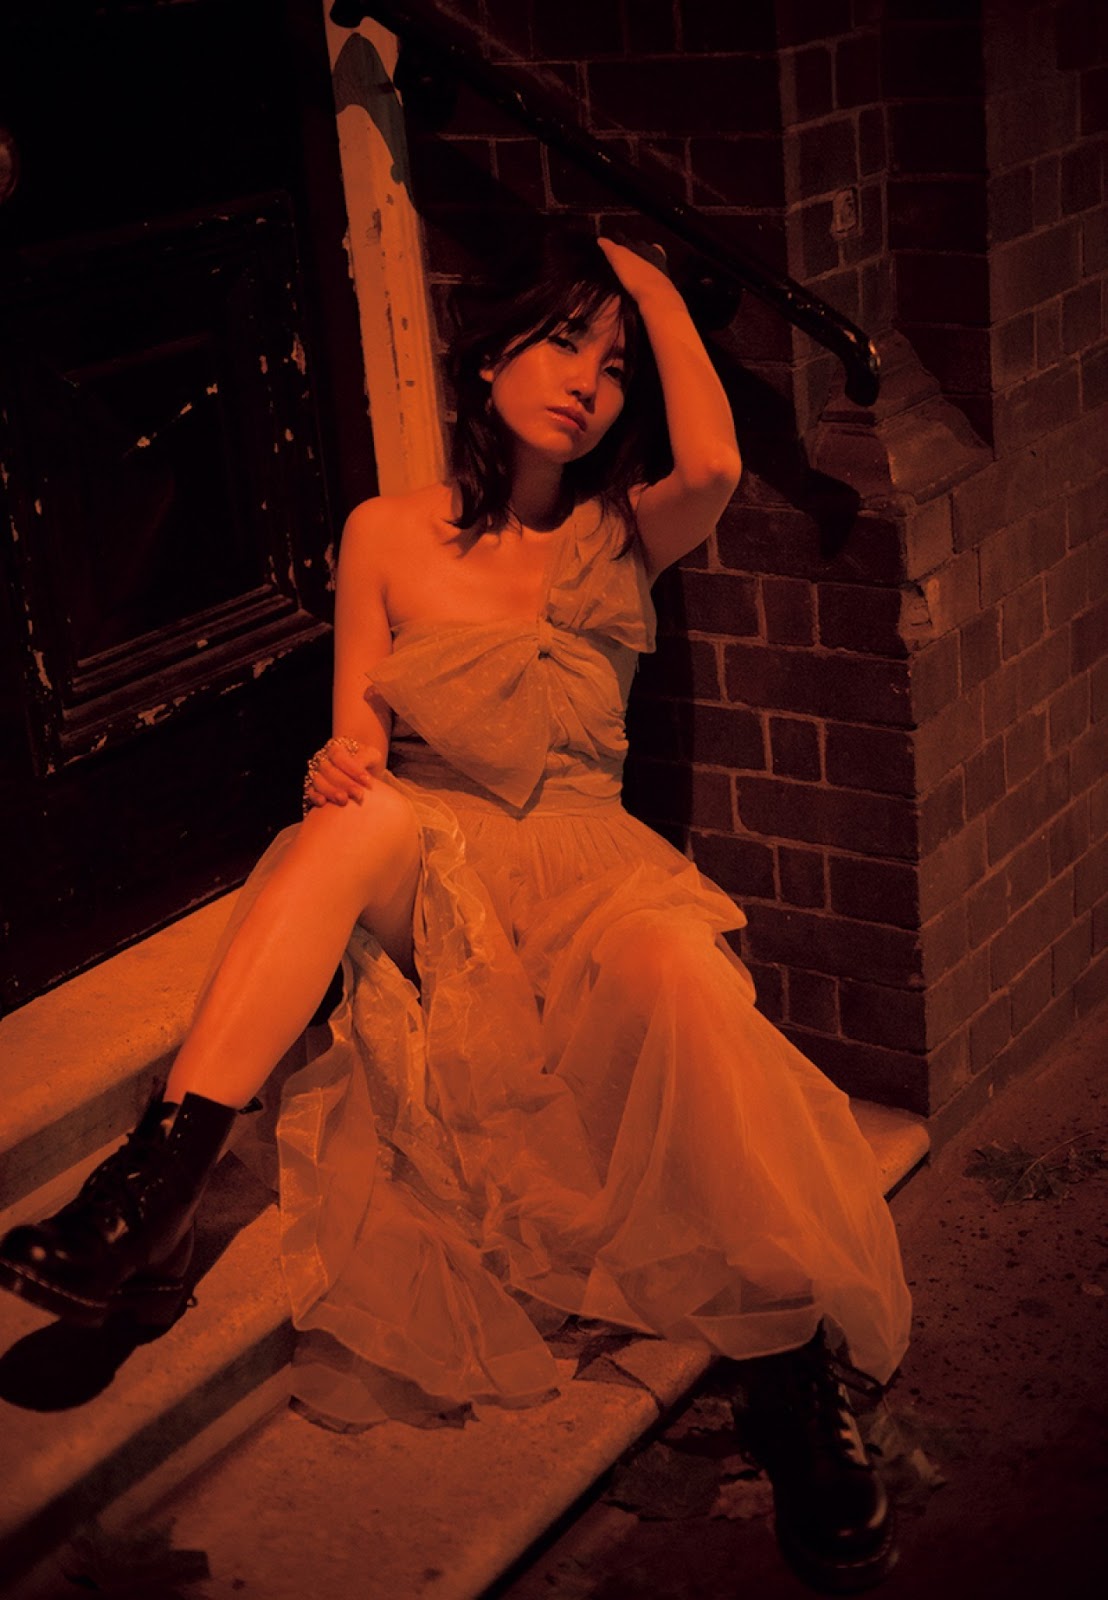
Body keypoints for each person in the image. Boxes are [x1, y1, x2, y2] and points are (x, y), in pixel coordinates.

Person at [0, 227, 910, 1592]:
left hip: (592, 867)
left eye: (615, 367)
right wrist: (339, 760)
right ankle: (154, 1193)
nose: (588, 382)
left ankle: (789, 1367)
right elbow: (357, 739)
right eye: (563, 341)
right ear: (488, 356)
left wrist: (649, 283)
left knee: (683, 975)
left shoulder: (623, 530)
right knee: (351, 816)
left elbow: (718, 465)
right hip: (437, 862)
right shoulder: (383, 532)